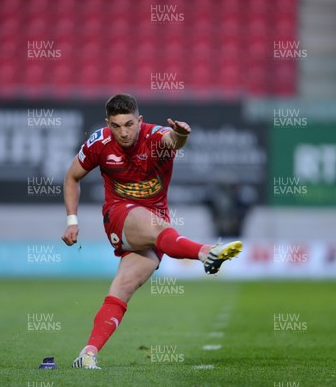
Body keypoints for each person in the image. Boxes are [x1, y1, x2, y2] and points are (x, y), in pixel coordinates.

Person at [61, 93, 243, 369]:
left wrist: (181, 135)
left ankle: (88, 353)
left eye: (129, 124)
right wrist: (72, 220)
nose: (123, 132)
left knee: (122, 289)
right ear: (108, 123)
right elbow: (72, 177)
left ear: (140, 120)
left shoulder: (155, 138)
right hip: (119, 215)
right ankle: (205, 252)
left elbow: (173, 140)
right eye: (116, 125)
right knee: (158, 227)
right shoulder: (99, 143)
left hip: (155, 224)